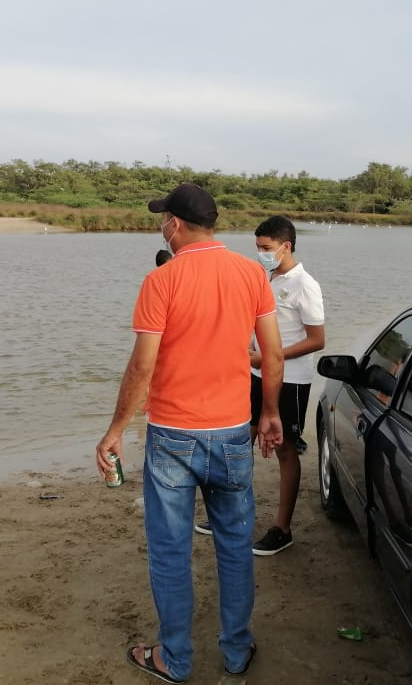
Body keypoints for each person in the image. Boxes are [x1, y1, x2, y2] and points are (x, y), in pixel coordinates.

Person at [95, 182, 283, 683]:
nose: (162, 226)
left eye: (164, 219)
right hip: (232, 433)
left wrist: (116, 429)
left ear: (175, 224)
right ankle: (236, 650)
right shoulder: (250, 273)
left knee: (171, 549)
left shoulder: (162, 280)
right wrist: (269, 413)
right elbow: (274, 354)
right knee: (235, 545)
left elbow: (142, 366)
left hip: (173, 436)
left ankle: (174, 658)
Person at [243, 216, 325, 555]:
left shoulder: (305, 284)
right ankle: (235, 514)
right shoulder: (265, 277)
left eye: (266, 248)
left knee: (285, 448)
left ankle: (282, 528)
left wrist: (270, 357)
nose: (261, 254)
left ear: (285, 246)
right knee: (241, 438)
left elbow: (317, 339)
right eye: (258, 248)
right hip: (257, 373)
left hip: (290, 377)